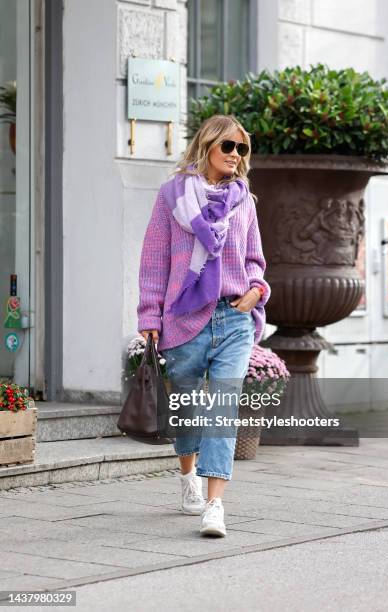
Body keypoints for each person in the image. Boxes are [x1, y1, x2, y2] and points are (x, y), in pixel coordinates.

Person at [137, 114, 270, 537]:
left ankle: (216, 506)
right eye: (228, 146)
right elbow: (154, 262)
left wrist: (255, 290)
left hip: (233, 318)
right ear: (207, 146)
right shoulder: (171, 196)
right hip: (183, 320)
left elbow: (254, 260)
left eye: (242, 149)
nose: (236, 155)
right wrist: (148, 316)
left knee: (222, 410)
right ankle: (187, 477)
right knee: (190, 411)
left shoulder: (244, 201)